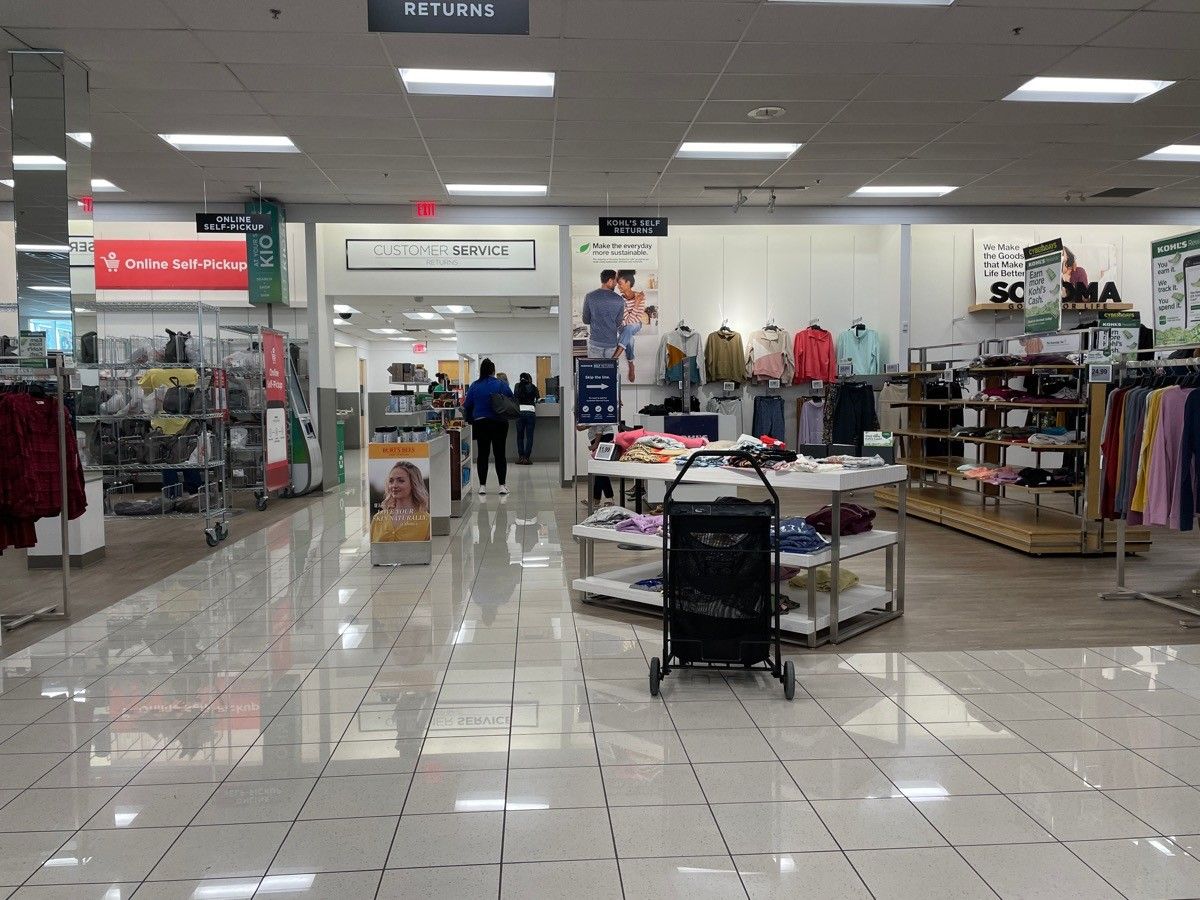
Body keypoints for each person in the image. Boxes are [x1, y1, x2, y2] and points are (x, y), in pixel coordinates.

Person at [463, 358, 515, 496]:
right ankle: (502, 486)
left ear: (481, 370)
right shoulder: (500, 384)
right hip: (499, 423)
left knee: (482, 454)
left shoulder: (474, 385)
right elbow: (511, 398)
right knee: (500, 454)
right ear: (493, 371)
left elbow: (467, 405)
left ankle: (482, 486)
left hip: (481, 423)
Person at [370, 461, 431, 542]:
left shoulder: (426, 520)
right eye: (391, 481)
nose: (394, 485)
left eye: (401, 481)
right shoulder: (378, 518)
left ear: (413, 484)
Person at [581, 269, 624, 359]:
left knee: (595, 372)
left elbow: (585, 320)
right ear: (610, 280)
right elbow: (618, 323)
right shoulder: (619, 299)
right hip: (611, 343)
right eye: (615, 281)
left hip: (595, 342)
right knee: (610, 372)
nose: (616, 284)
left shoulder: (590, 296)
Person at [614, 269, 645, 381]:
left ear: (628, 283)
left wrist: (637, 303)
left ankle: (615, 358)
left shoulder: (641, 296)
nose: (618, 286)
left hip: (637, 324)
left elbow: (636, 319)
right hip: (623, 326)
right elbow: (626, 321)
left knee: (630, 328)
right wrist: (636, 304)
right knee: (630, 338)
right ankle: (631, 364)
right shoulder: (620, 300)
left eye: (620, 284)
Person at [514, 372, 540, 465]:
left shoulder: (517, 386)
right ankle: (526, 458)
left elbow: (515, 398)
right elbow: (538, 399)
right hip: (530, 413)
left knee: (520, 437)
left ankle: (520, 457)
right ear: (529, 379)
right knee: (529, 437)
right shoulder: (533, 387)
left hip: (519, 413)